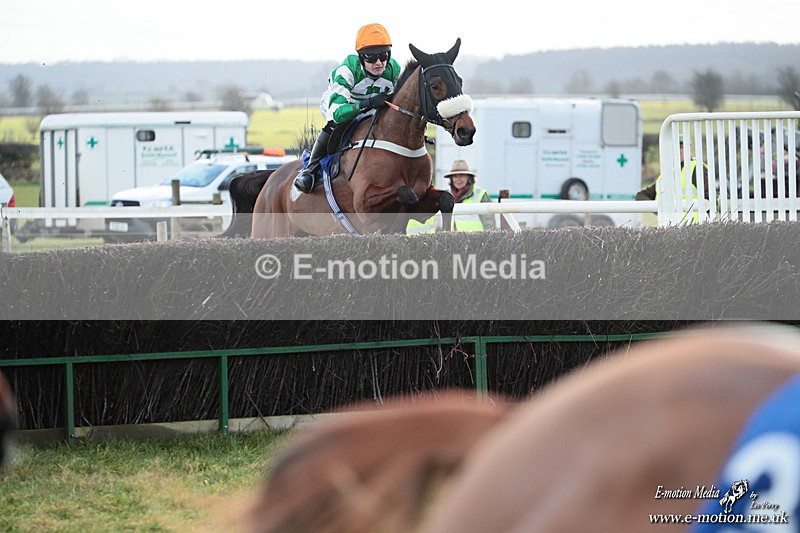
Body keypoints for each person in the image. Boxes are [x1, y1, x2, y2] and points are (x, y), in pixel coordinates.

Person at [293, 23, 403, 194]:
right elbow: (338, 113)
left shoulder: (393, 70)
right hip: (343, 105)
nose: (379, 63)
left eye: (383, 56)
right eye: (371, 58)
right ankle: (310, 171)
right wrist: (367, 103)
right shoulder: (348, 70)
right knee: (335, 124)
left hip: (373, 107)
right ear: (360, 57)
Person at [406, 159, 496, 233]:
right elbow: (438, 224)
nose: (458, 179)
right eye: (455, 176)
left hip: (476, 244)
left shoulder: (481, 195)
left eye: (461, 176)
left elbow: (490, 225)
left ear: (469, 178)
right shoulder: (445, 197)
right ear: (451, 179)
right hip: (452, 244)